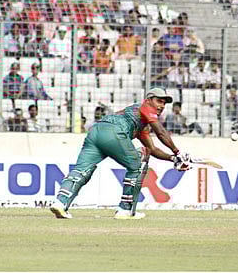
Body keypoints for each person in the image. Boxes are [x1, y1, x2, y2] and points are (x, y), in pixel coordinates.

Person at [49, 88, 192, 220]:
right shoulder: (145, 107)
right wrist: (177, 152)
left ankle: (60, 203)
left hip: (96, 132)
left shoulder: (141, 122)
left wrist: (173, 159)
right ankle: (125, 210)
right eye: (159, 101)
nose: (161, 106)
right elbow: (160, 132)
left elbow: (153, 149)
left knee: (81, 169)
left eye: (164, 103)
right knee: (138, 163)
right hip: (114, 132)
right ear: (148, 100)